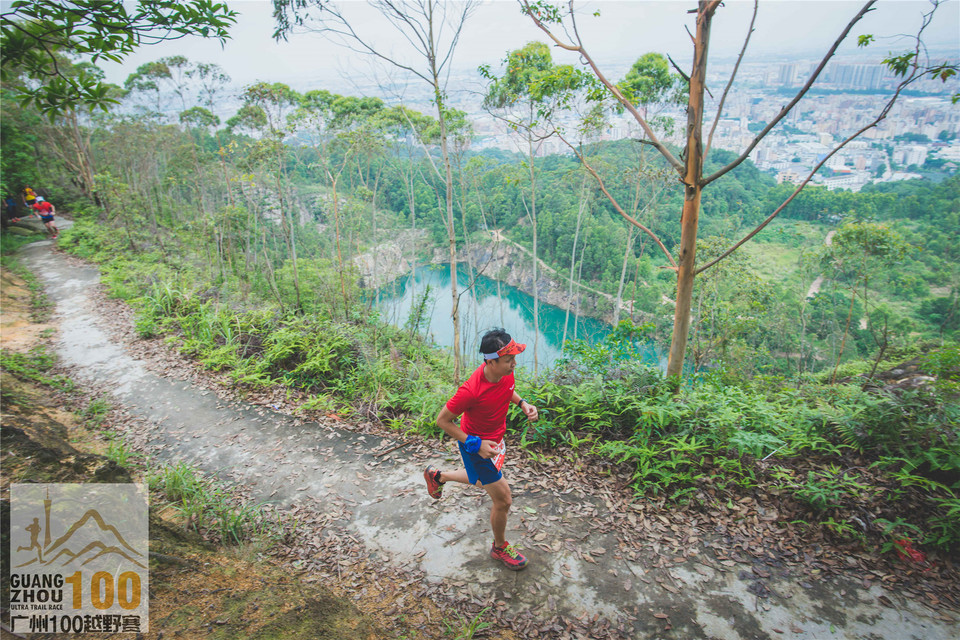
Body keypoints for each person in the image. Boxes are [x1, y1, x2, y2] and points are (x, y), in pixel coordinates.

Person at [423, 328, 539, 570]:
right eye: (509, 360)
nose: (514, 364)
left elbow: (508, 390)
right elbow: (442, 421)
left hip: (494, 441)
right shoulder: (471, 391)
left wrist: (522, 403)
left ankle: (438, 476)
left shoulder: (504, 373)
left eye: (514, 359)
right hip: (477, 447)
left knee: (480, 480)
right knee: (503, 500)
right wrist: (476, 445)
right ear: (491, 361)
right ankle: (499, 547)